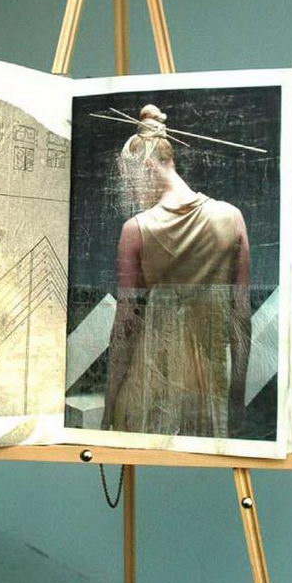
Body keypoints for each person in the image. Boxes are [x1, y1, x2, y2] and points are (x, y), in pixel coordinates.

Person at [101, 105, 251, 439]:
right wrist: (237, 396)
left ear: (148, 167)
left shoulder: (136, 229)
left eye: (131, 179)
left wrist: (109, 406)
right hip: (208, 391)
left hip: (149, 388)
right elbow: (241, 315)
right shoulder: (232, 218)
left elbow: (125, 325)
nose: (132, 189)